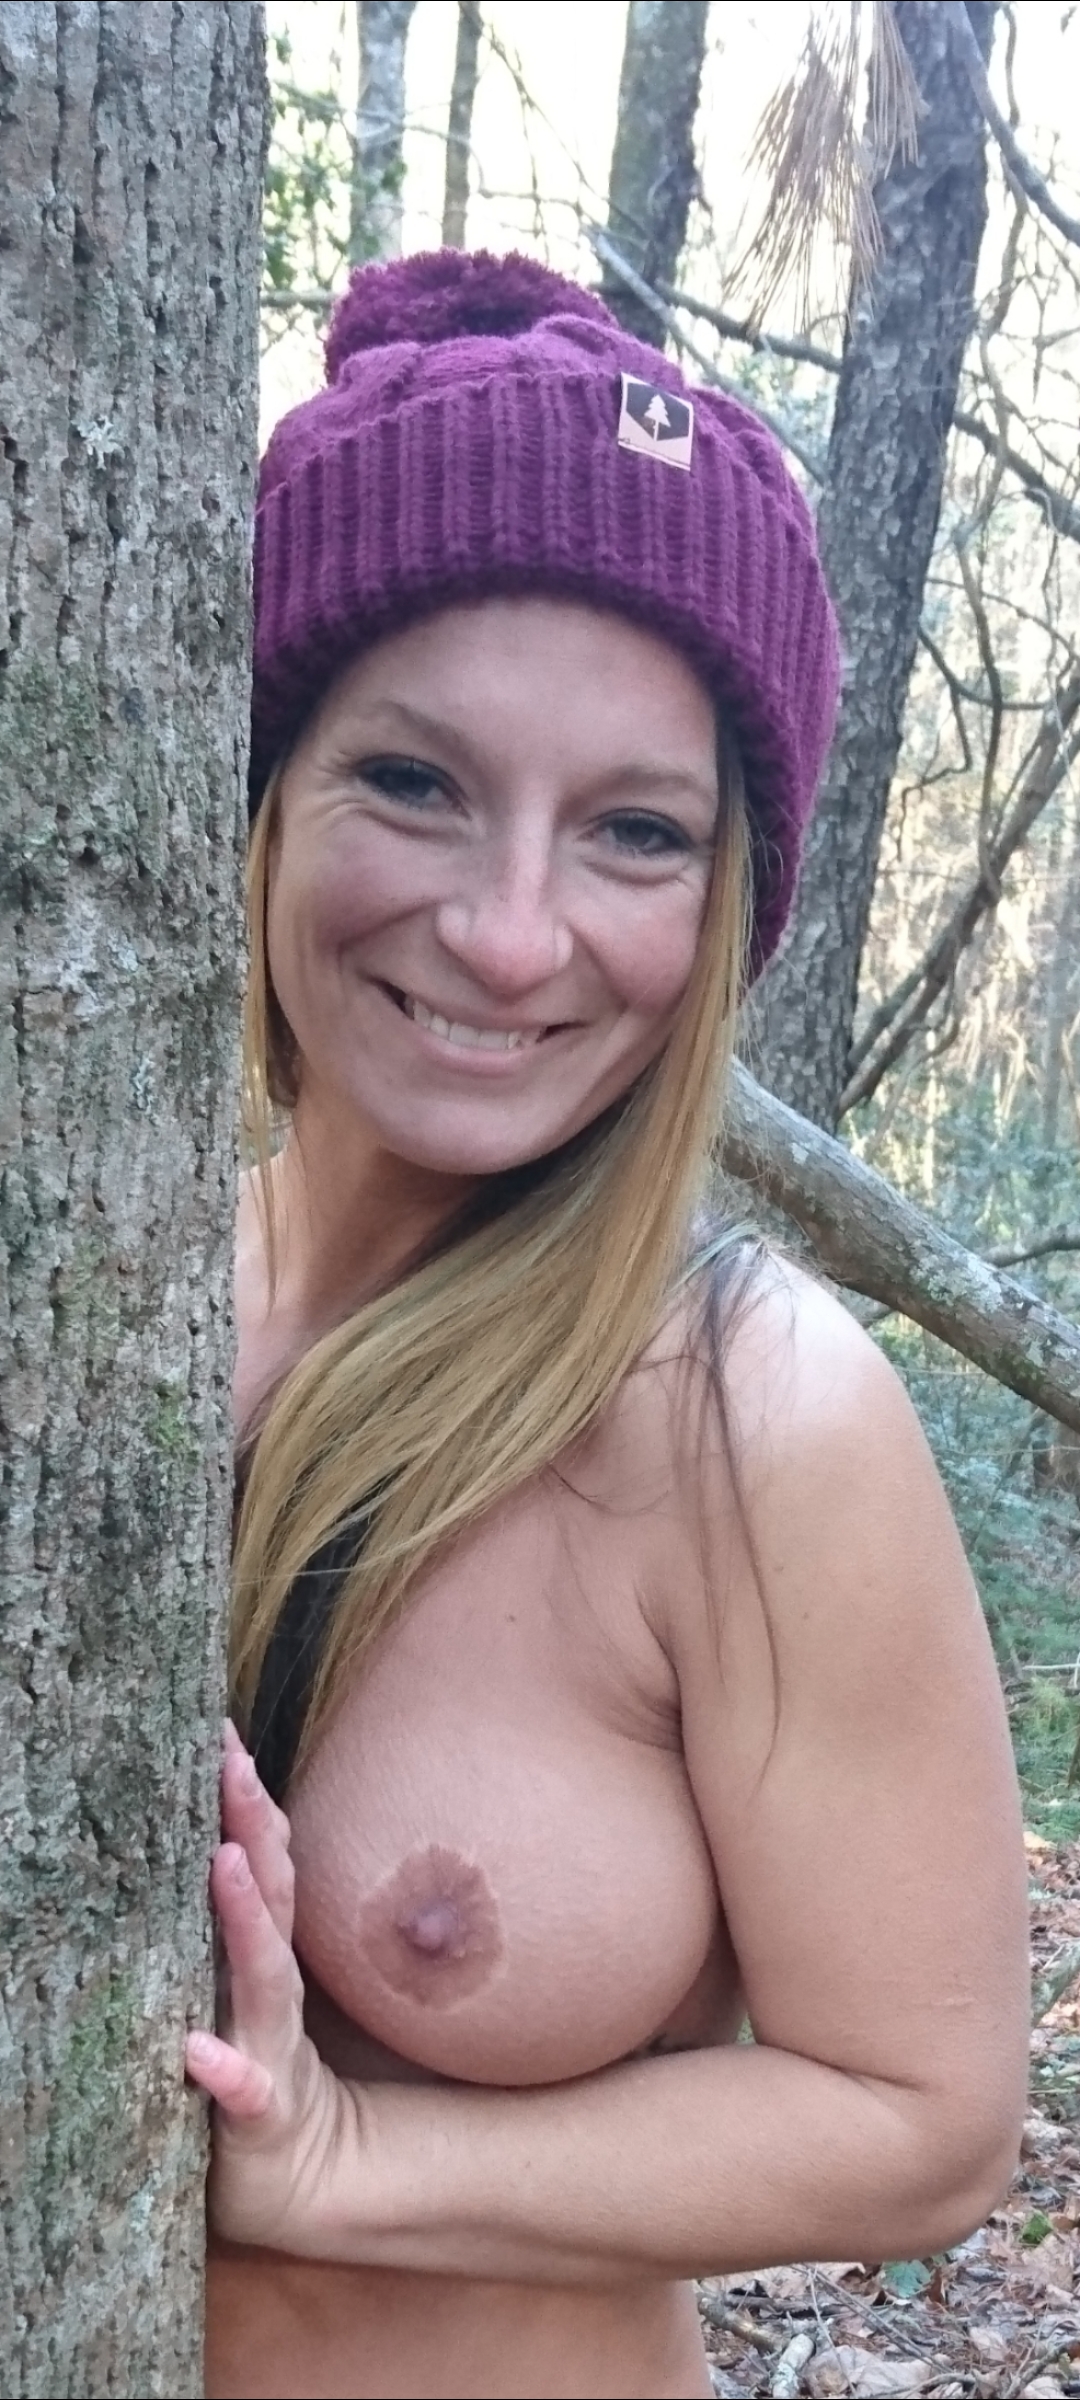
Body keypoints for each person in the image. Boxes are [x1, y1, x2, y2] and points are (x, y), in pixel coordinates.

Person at [185, 250, 1030, 2400]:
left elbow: (926, 2120)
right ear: (264, 786)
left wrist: (349, 2164)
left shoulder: (755, 1423)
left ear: (725, 901)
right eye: (414, 781)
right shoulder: (95, 1317)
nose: (507, 931)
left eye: (636, 831)